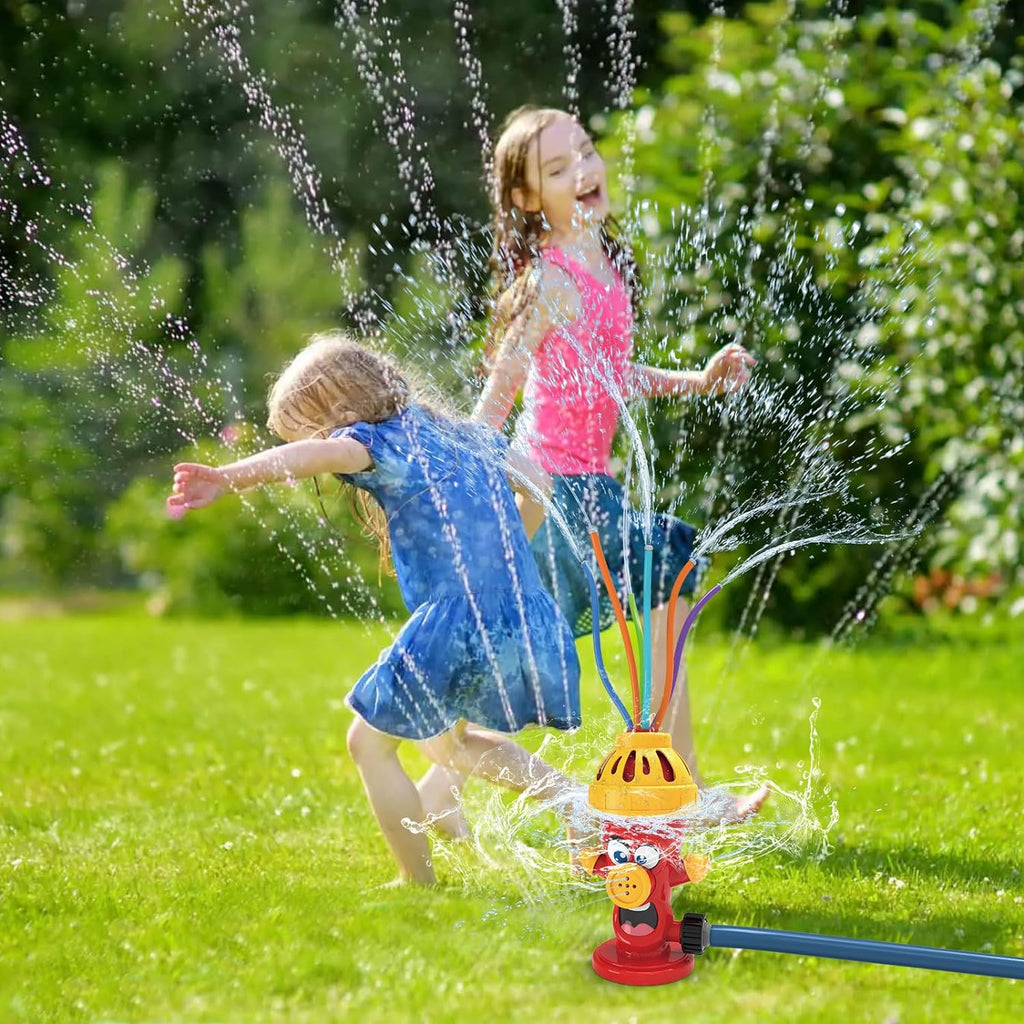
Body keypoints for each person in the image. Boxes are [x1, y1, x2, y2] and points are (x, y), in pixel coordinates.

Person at [167, 331, 582, 884]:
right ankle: (573, 800)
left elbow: (311, 457)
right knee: (449, 744)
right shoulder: (463, 434)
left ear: (339, 411)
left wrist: (228, 477)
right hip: (521, 614)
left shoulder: (372, 440)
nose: (324, 442)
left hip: (457, 621)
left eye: (313, 428)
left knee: (367, 743)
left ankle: (419, 883)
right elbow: (541, 482)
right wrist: (504, 562)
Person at [474, 105, 767, 816]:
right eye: (557, 167)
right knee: (670, 573)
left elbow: (613, 372)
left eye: (586, 151)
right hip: (550, 495)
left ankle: (438, 786)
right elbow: (497, 397)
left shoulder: (606, 268)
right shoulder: (549, 282)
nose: (584, 170)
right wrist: (468, 465)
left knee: (504, 684)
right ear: (524, 199)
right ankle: (685, 792)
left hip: (592, 493)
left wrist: (694, 382)